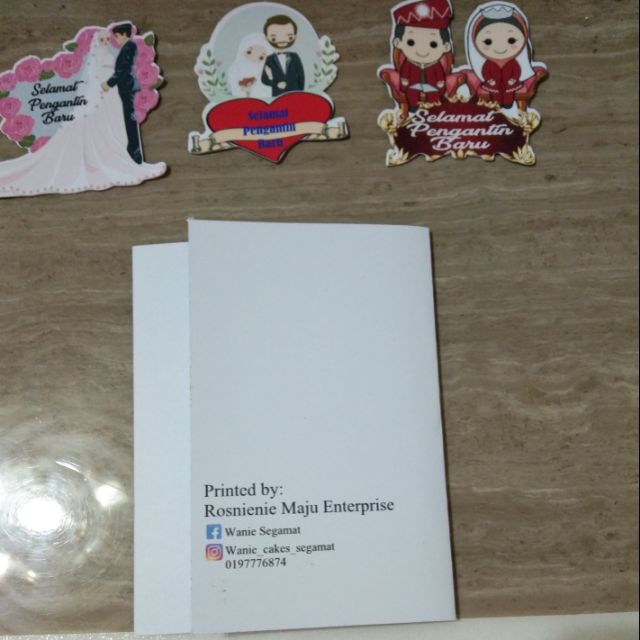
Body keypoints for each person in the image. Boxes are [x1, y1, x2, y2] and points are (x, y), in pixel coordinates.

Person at [0, 31, 165, 198]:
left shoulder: (112, 54)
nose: (105, 42)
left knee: (115, 124)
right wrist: (100, 91)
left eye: (107, 39)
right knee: (99, 127)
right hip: (103, 94)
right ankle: (102, 157)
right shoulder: (96, 56)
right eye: (102, 39)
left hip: (112, 95)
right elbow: (95, 76)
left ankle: (119, 153)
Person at [464, 1, 545, 110]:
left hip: (509, 83)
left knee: (509, 92)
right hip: (493, 84)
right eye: (488, 41)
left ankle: (507, 104)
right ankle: (496, 104)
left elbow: (516, 71)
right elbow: (485, 71)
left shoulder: (513, 62)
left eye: (511, 40)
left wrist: (513, 79)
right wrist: (489, 79)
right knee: (495, 92)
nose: (500, 48)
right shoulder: (488, 63)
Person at [386, 0, 455, 111]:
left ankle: (433, 109)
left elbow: (440, 74)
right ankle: (412, 109)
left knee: (433, 94)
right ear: (398, 43)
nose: (422, 50)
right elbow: (405, 72)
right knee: (412, 92)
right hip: (412, 85)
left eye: (433, 44)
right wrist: (404, 81)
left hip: (432, 86)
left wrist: (440, 84)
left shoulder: (435, 65)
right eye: (411, 42)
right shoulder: (408, 63)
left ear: (446, 46)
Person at [101, 22, 142, 163]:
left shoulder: (129, 46)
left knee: (130, 120)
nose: (116, 39)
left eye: (117, 36)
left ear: (124, 34)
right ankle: (133, 149)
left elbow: (124, 69)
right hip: (126, 87)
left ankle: (134, 152)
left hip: (128, 87)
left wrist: (109, 83)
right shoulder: (127, 47)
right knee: (128, 119)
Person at [260, 15, 305, 97]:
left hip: (295, 93)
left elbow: (301, 75)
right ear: (266, 38)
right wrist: (276, 84)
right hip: (278, 95)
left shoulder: (295, 56)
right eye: (274, 38)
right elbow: (264, 79)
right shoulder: (269, 59)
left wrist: (301, 91)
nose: (282, 40)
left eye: (289, 37)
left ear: (295, 36)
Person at [227, 33, 273, 99]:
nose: (254, 57)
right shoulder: (237, 66)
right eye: (249, 52)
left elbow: (264, 83)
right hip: (239, 93)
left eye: (261, 57)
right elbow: (232, 79)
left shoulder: (261, 69)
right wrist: (239, 87)